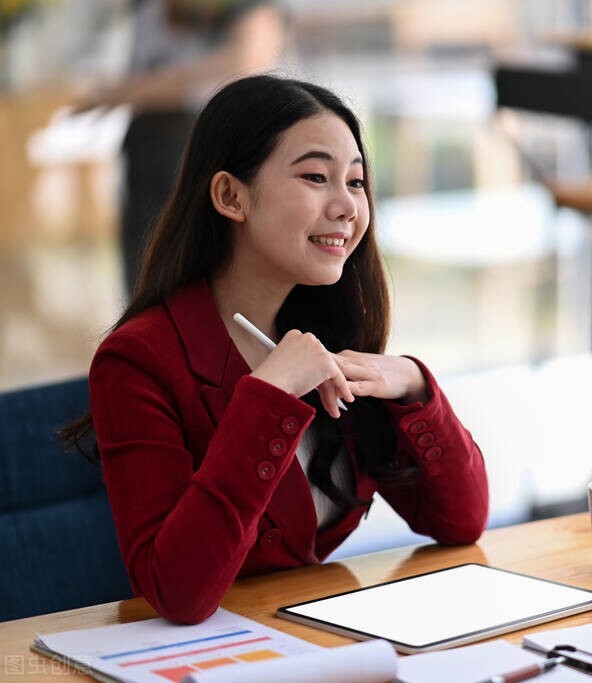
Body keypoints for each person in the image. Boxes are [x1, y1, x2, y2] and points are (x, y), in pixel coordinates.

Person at [65, 75, 489, 625]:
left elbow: (461, 522)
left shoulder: (333, 329)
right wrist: (267, 396)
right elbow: (178, 593)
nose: (346, 206)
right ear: (230, 196)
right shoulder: (139, 360)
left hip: (315, 641)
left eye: (356, 182)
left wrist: (413, 385)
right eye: (316, 176)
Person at [76, 0, 285, 290]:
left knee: (197, 268)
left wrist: (136, 90)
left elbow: (247, 58)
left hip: (201, 136)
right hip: (150, 143)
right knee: (148, 270)